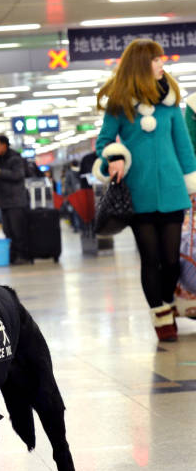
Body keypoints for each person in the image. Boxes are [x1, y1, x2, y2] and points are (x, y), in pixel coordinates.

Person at [94, 38, 196, 342]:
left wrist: (192, 183)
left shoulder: (169, 105)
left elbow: (184, 147)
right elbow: (104, 142)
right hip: (138, 194)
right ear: (141, 65)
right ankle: (161, 315)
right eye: (156, 60)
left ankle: (167, 301)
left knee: (170, 259)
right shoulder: (119, 105)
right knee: (150, 259)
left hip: (174, 192)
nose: (162, 65)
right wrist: (114, 157)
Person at [0, 134, 30, 265]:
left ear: (4, 145)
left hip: (16, 201)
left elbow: (19, 175)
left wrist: (0, 172)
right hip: (4, 201)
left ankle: (23, 256)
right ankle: (13, 255)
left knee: (18, 230)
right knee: (7, 231)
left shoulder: (15, 158)